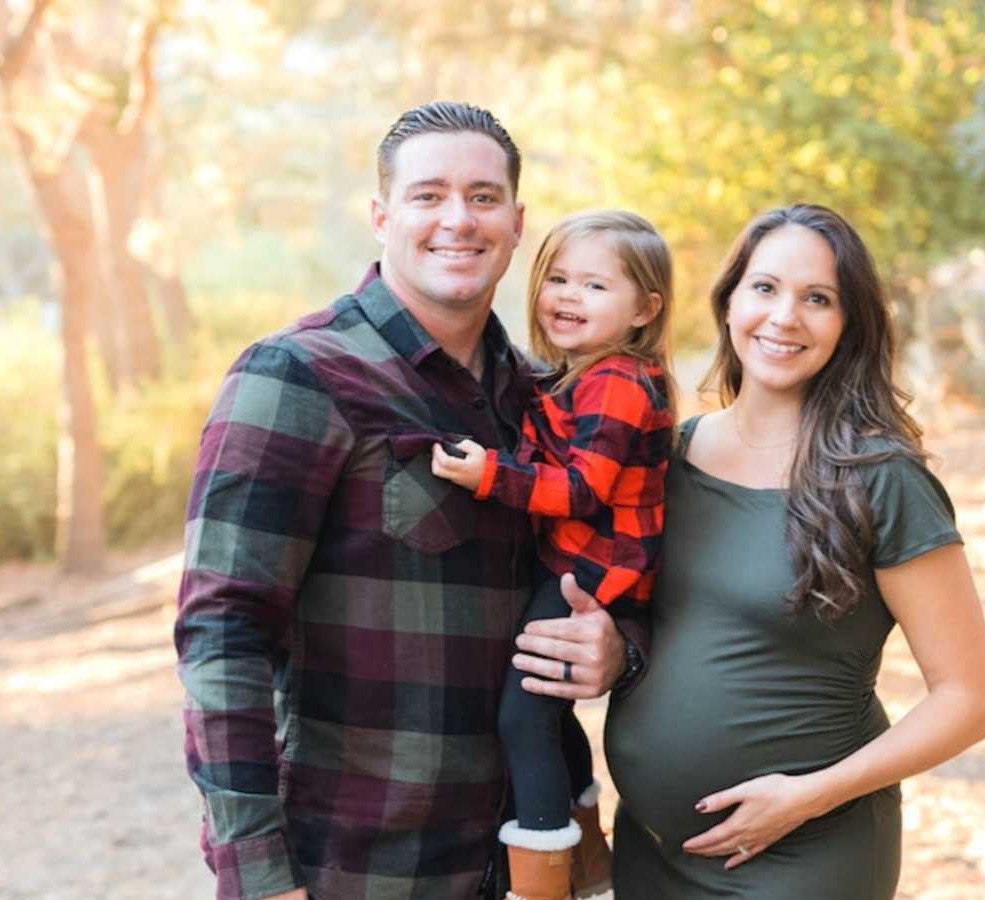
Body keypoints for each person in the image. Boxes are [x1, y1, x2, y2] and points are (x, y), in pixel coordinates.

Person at [174, 102, 647, 900]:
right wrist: (258, 876)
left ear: (517, 221)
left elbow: (623, 552)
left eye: (483, 197)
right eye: (428, 196)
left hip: (522, 866)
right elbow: (222, 632)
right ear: (382, 216)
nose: (457, 220)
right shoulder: (299, 374)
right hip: (357, 867)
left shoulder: (550, 396)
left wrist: (617, 647)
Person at [602, 204, 985, 898]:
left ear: (849, 325)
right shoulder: (669, 452)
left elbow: (970, 700)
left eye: (817, 299)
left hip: (805, 855)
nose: (784, 317)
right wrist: (614, 653)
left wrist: (812, 796)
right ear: (729, 301)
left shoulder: (882, 478)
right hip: (650, 850)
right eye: (764, 288)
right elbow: (670, 625)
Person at [431, 210, 677, 900]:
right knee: (549, 708)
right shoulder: (576, 375)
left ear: (643, 310)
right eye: (559, 279)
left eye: (596, 287)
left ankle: (541, 883)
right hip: (572, 558)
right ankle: (589, 858)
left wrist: (488, 473)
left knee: (525, 713)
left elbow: (580, 489)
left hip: (596, 567)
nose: (569, 296)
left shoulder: (621, 383)